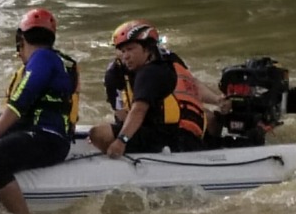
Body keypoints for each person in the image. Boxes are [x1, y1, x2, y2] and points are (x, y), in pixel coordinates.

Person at [0, 8, 80, 214]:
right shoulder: (51, 61)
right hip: (31, 131)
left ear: (21, 39)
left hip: (49, 139)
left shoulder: (43, 58)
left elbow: (20, 102)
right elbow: (20, 110)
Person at [87, 21, 215, 156]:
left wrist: (121, 141)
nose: (126, 56)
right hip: (170, 132)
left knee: (98, 134)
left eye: (131, 49)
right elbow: (120, 112)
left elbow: (138, 110)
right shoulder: (165, 62)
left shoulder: (150, 72)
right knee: (210, 116)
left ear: (147, 49)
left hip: (171, 138)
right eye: (123, 51)